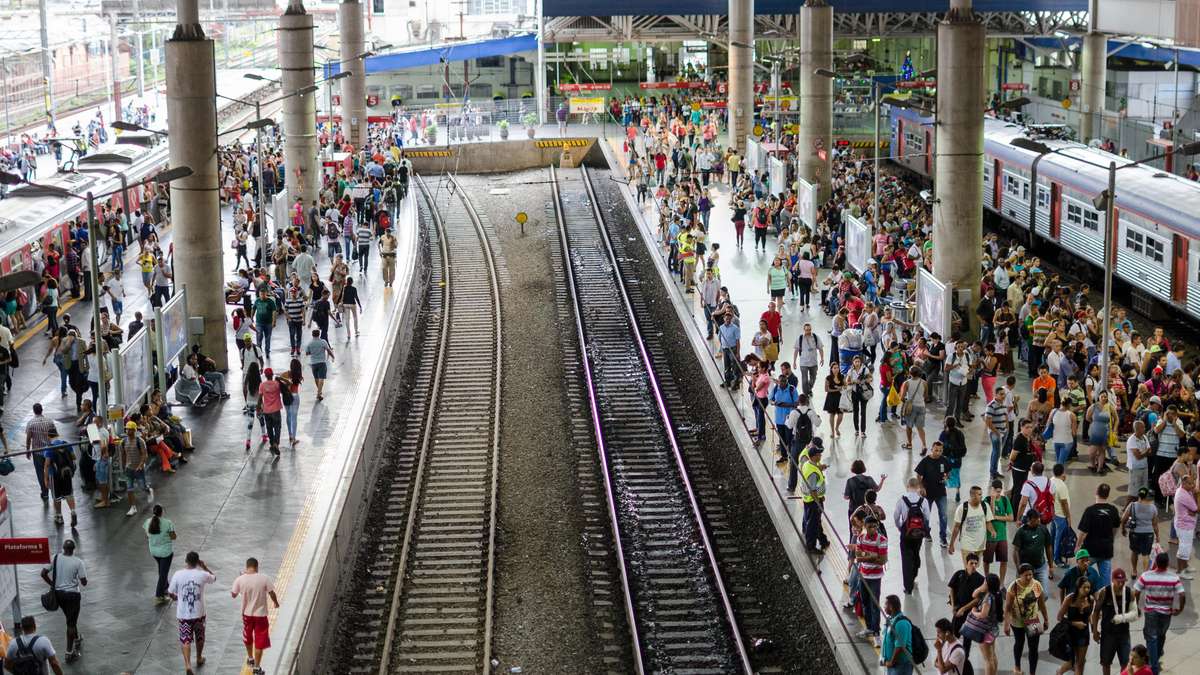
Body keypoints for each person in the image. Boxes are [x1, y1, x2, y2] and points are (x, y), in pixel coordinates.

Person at [1132, 551, 1185, 674]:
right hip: (1166, 612)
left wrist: (1136, 607)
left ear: (1155, 562)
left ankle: (1153, 668)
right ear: (1167, 564)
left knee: (1151, 638)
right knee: (1161, 635)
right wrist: (1180, 608)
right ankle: (1156, 657)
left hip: (1150, 612)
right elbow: (1182, 595)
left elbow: (1136, 592)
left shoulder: (1146, 575)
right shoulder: (1173, 577)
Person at [168, 551, 216, 675]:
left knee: (185, 639)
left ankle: (188, 665)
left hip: (183, 615)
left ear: (186, 561)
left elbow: (170, 592)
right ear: (197, 562)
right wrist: (204, 566)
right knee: (200, 636)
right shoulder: (203, 574)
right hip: (199, 613)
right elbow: (214, 578)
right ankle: (199, 658)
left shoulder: (178, 574)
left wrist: (176, 598)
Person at [230, 558, 280, 675]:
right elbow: (272, 592)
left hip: (247, 614)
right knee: (259, 640)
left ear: (246, 567)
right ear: (257, 567)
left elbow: (233, 594)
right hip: (261, 615)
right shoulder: (264, 578)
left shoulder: (240, 579)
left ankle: (250, 658)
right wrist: (276, 603)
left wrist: (242, 588)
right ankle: (257, 668)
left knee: (248, 636)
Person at [1005, 562, 1049, 675]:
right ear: (1020, 575)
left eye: (1031, 574)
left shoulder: (1036, 585)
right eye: (1026, 575)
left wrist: (1046, 619)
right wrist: (1006, 624)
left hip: (1033, 620)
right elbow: (1008, 608)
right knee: (1019, 643)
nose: (1029, 577)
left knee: (1033, 648)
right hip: (1017, 621)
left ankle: (1032, 672)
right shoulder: (1013, 587)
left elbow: (1042, 604)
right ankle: (1017, 667)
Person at [1092, 568, 1137, 675]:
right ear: (1112, 580)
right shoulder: (1104, 592)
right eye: (1118, 581)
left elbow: (1135, 613)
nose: (1121, 584)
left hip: (1124, 633)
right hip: (1108, 634)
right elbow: (1096, 611)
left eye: (1123, 581)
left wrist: (1122, 618)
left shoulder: (1129, 592)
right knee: (1106, 662)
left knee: (1126, 663)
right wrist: (1094, 631)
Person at [1077, 482, 1122, 587]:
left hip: (1090, 551)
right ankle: (1104, 599)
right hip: (1106, 550)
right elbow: (1116, 527)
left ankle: (1081, 596)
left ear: (1096, 493)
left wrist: (1078, 545)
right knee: (1105, 581)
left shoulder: (1090, 511)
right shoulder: (1113, 510)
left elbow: (1084, 532)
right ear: (1108, 494)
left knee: (1081, 575)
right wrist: (1112, 538)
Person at [852, 516, 887, 646]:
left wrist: (865, 556)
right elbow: (857, 556)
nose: (873, 529)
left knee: (875, 604)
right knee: (865, 602)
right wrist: (873, 556)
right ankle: (869, 627)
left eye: (875, 526)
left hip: (875, 577)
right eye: (870, 526)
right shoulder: (861, 538)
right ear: (865, 527)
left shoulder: (882, 540)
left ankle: (877, 633)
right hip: (863, 575)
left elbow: (883, 560)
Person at [894, 477, 930, 595]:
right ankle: (914, 575)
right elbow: (927, 518)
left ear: (907, 486)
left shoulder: (902, 500)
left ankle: (908, 587)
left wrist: (900, 527)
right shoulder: (923, 501)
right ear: (918, 487)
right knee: (915, 554)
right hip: (918, 534)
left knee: (906, 559)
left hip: (906, 534)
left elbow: (896, 516)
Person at [1056, 576, 1096, 675]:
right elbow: (1059, 617)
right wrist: (1074, 623)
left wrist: (1094, 629)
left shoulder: (1090, 599)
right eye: (1084, 587)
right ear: (1078, 587)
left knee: (1081, 662)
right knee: (1071, 662)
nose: (1087, 590)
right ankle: (1059, 672)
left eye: (1089, 587)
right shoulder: (1069, 599)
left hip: (1084, 634)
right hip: (1070, 633)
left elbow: (1089, 615)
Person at [914, 442, 951, 547]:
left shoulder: (944, 460)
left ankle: (943, 538)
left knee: (943, 515)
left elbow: (948, 472)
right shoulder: (925, 461)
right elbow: (918, 475)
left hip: (941, 492)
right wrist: (921, 487)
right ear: (931, 449)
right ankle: (926, 533)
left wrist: (946, 477)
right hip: (928, 493)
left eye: (940, 450)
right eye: (936, 450)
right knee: (926, 516)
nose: (938, 452)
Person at [949, 485, 995, 566]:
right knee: (969, 568)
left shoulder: (985, 506)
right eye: (979, 494)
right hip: (967, 544)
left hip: (980, 544)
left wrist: (992, 531)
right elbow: (956, 527)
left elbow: (988, 522)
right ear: (972, 495)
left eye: (981, 494)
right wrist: (951, 544)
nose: (982, 496)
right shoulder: (962, 508)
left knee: (975, 567)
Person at [1012, 509, 1054, 590]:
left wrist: (1051, 566)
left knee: (1044, 594)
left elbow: (1048, 547)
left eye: (1039, 519)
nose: (1038, 521)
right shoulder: (1021, 531)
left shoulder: (1043, 529)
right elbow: (1015, 551)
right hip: (1025, 569)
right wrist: (1019, 569)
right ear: (1029, 519)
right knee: (1022, 593)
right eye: (1036, 519)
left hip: (1040, 567)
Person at [799, 444, 830, 552]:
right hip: (813, 502)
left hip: (810, 500)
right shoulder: (812, 472)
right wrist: (818, 502)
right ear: (813, 456)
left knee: (816, 522)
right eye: (819, 454)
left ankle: (823, 540)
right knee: (813, 524)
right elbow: (812, 490)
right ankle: (810, 546)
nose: (820, 456)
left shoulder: (808, 464)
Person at [948, 553, 985, 641]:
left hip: (971, 612)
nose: (974, 566)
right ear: (966, 563)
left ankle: (966, 654)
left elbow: (978, 599)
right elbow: (952, 589)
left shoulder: (981, 579)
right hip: (958, 609)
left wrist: (964, 609)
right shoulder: (959, 574)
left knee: (967, 638)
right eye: (971, 563)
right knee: (953, 634)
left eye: (976, 563)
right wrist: (953, 606)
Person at [1123, 487, 1160, 575]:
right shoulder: (1153, 507)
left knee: (1134, 552)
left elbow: (1123, 518)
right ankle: (1145, 574)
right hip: (1148, 534)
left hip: (1135, 533)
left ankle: (1134, 571)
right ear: (1147, 495)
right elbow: (1155, 524)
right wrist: (1157, 535)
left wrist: (1123, 528)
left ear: (1138, 495)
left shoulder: (1132, 505)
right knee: (1145, 554)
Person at [144, 504, 177, 604]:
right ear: (162, 512)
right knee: (163, 573)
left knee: (162, 569)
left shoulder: (147, 522)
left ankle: (166, 587)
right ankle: (159, 596)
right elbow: (173, 537)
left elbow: (147, 535)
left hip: (154, 551)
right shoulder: (168, 523)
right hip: (165, 553)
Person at [42, 436, 77, 528]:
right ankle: (73, 512)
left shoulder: (49, 447)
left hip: (54, 475)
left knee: (56, 497)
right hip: (67, 473)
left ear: (48, 436)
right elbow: (73, 458)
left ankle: (59, 516)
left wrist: (45, 479)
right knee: (69, 494)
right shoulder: (66, 444)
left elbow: (47, 464)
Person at [119, 421, 152, 517]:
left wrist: (140, 465)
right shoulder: (123, 442)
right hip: (129, 469)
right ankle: (133, 507)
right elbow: (123, 455)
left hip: (138, 469)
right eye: (127, 429)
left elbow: (144, 454)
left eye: (129, 429)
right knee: (129, 489)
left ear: (134, 430)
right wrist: (124, 466)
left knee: (142, 486)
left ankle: (148, 490)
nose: (127, 430)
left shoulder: (140, 441)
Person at [24, 403, 57, 501]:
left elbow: (29, 438)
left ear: (34, 411)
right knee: (51, 470)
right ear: (42, 410)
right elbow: (54, 437)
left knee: (40, 472)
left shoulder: (31, 423)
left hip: (37, 452)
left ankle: (45, 492)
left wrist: (27, 450)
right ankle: (54, 489)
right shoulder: (50, 421)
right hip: (49, 451)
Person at [984, 478, 1015, 582]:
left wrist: (998, 517)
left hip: (1002, 536)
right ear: (992, 489)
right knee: (987, 560)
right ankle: (987, 580)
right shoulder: (986, 500)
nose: (998, 494)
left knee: (1004, 560)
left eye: (999, 492)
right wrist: (992, 500)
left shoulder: (1005, 500)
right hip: (990, 536)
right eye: (996, 491)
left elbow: (1011, 517)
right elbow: (990, 516)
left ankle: (1001, 583)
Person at [881, 595, 915, 675]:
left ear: (891, 607)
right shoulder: (891, 620)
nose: (884, 607)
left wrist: (892, 662)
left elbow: (900, 646)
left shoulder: (901, 623)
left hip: (900, 665)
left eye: (886, 604)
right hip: (892, 664)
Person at [1173, 474, 1198, 579]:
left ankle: (1185, 566)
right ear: (1183, 483)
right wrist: (1197, 495)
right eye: (1190, 483)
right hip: (1184, 526)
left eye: (1193, 483)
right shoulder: (1183, 495)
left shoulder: (1185, 491)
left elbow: (1194, 510)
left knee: (1186, 548)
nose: (1192, 485)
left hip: (1185, 524)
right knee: (1183, 550)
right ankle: (1180, 571)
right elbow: (1197, 508)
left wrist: (1193, 511)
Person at [257, 368, 284, 456]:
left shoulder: (262, 385)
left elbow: (260, 398)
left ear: (265, 375)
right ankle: (276, 444)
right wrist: (281, 379)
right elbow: (287, 386)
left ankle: (272, 444)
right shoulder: (277, 384)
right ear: (272, 375)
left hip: (266, 411)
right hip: (276, 410)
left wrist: (258, 409)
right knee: (277, 427)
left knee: (269, 428)